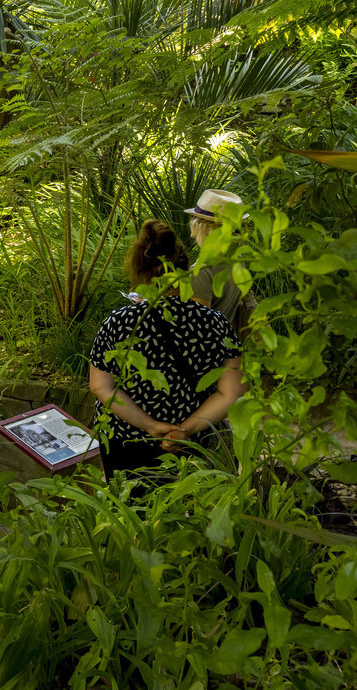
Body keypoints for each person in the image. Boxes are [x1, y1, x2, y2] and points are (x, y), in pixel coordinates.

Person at [87, 220, 248, 479]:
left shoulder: (119, 322)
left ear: (138, 269)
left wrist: (151, 426)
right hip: (195, 443)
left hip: (127, 439)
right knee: (192, 502)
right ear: (184, 268)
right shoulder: (214, 322)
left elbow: (100, 387)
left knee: (129, 502)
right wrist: (184, 430)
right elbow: (232, 391)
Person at [187, 188, 256, 336]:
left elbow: (200, 326)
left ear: (205, 228)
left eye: (194, 220)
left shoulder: (201, 272)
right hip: (229, 341)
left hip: (211, 347)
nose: (192, 233)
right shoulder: (237, 258)